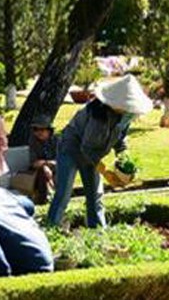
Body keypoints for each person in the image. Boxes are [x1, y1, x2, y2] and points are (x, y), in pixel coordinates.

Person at [47, 74, 152, 228]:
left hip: (92, 154)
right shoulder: (98, 116)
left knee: (95, 195)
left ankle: (97, 232)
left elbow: (120, 140)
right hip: (71, 149)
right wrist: (105, 172)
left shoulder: (125, 116)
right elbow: (86, 148)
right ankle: (51, 228)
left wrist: (124, 160)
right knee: (64, 193)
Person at [28, 114, 59, 204]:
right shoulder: (33, 142)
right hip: (39, 173)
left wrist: (45, 163)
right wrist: (45, 166)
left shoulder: (57, 141)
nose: (38, 132)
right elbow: (34, 163)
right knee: (43, 171)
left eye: (41, 129)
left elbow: (61, 161)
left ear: (49, 130)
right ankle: (46, 198)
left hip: (57, 169)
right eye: (35, 129)